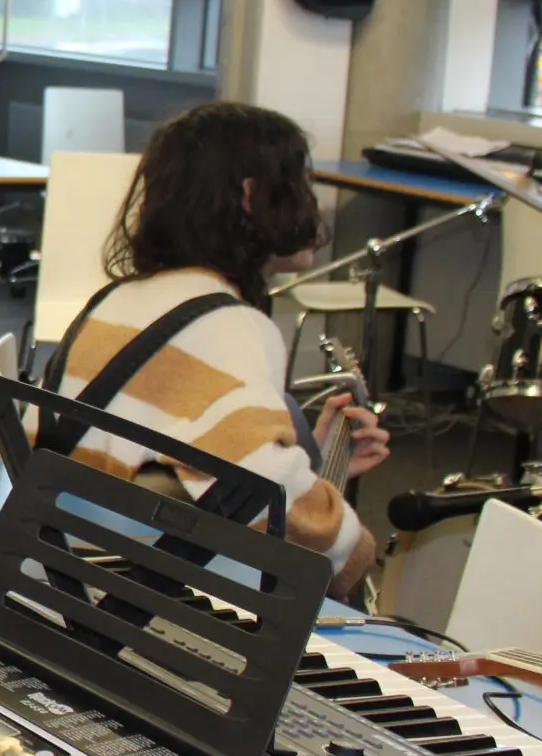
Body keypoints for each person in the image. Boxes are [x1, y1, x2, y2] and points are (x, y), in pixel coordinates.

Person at [42, 102, 391, 597]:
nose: (308, 201)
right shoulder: (227, 324)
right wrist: (354, 551)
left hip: (64, 570)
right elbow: (268, 494)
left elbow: (201, 451)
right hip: (140, 594)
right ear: (250, 196)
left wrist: (310, 456)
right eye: (297, 182)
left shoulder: (121, 298)